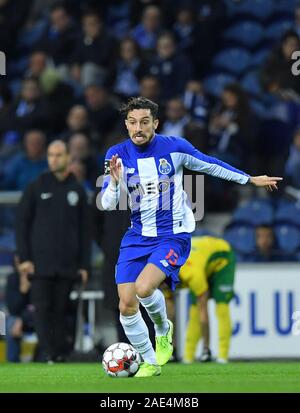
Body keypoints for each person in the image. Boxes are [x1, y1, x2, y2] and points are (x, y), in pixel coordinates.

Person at [99, 96, 282, 377]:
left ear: (156, 124)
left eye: (145, 122)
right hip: (136, 236)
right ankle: (149, 361)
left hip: (173, 235)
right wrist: (113, 182)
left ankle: (163, 329)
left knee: (144, 288)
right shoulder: (116, 155)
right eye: (133, 122)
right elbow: (109, 204)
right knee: (125, 304)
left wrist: (249, 179)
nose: (139, 128)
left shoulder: (175, 148)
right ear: (126, 124)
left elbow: (210, 164)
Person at [16, 140, 91, 362]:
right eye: (50, 155)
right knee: (41, 309)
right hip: (40, 264)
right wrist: (25, 258)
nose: (54, 159)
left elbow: (84, 232)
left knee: (60, 311)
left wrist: (85, 265)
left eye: (58, 155)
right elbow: (22, 224)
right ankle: (49, 352)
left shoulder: (77, 190)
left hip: (67, 265)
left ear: (68, 157)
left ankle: (58, 354)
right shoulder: (36, 186)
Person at [179, 235, 235, 364]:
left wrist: (206, 347)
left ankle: (222, 356)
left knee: (221, 308)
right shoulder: (167, 271)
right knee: (193, 310)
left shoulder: (193, 276)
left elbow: (203, 315)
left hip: (223, 259)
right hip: (203, 259)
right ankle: (188, 357)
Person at [5, 256, 34, 362]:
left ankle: (42, 359)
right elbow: (13, 308)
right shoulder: (12, 279)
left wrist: (22, 319)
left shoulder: (40, 280)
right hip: (18, 317)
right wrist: (23, 291)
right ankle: (13, 362)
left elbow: (40, 306)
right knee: (10, 324)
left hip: (35, 317)